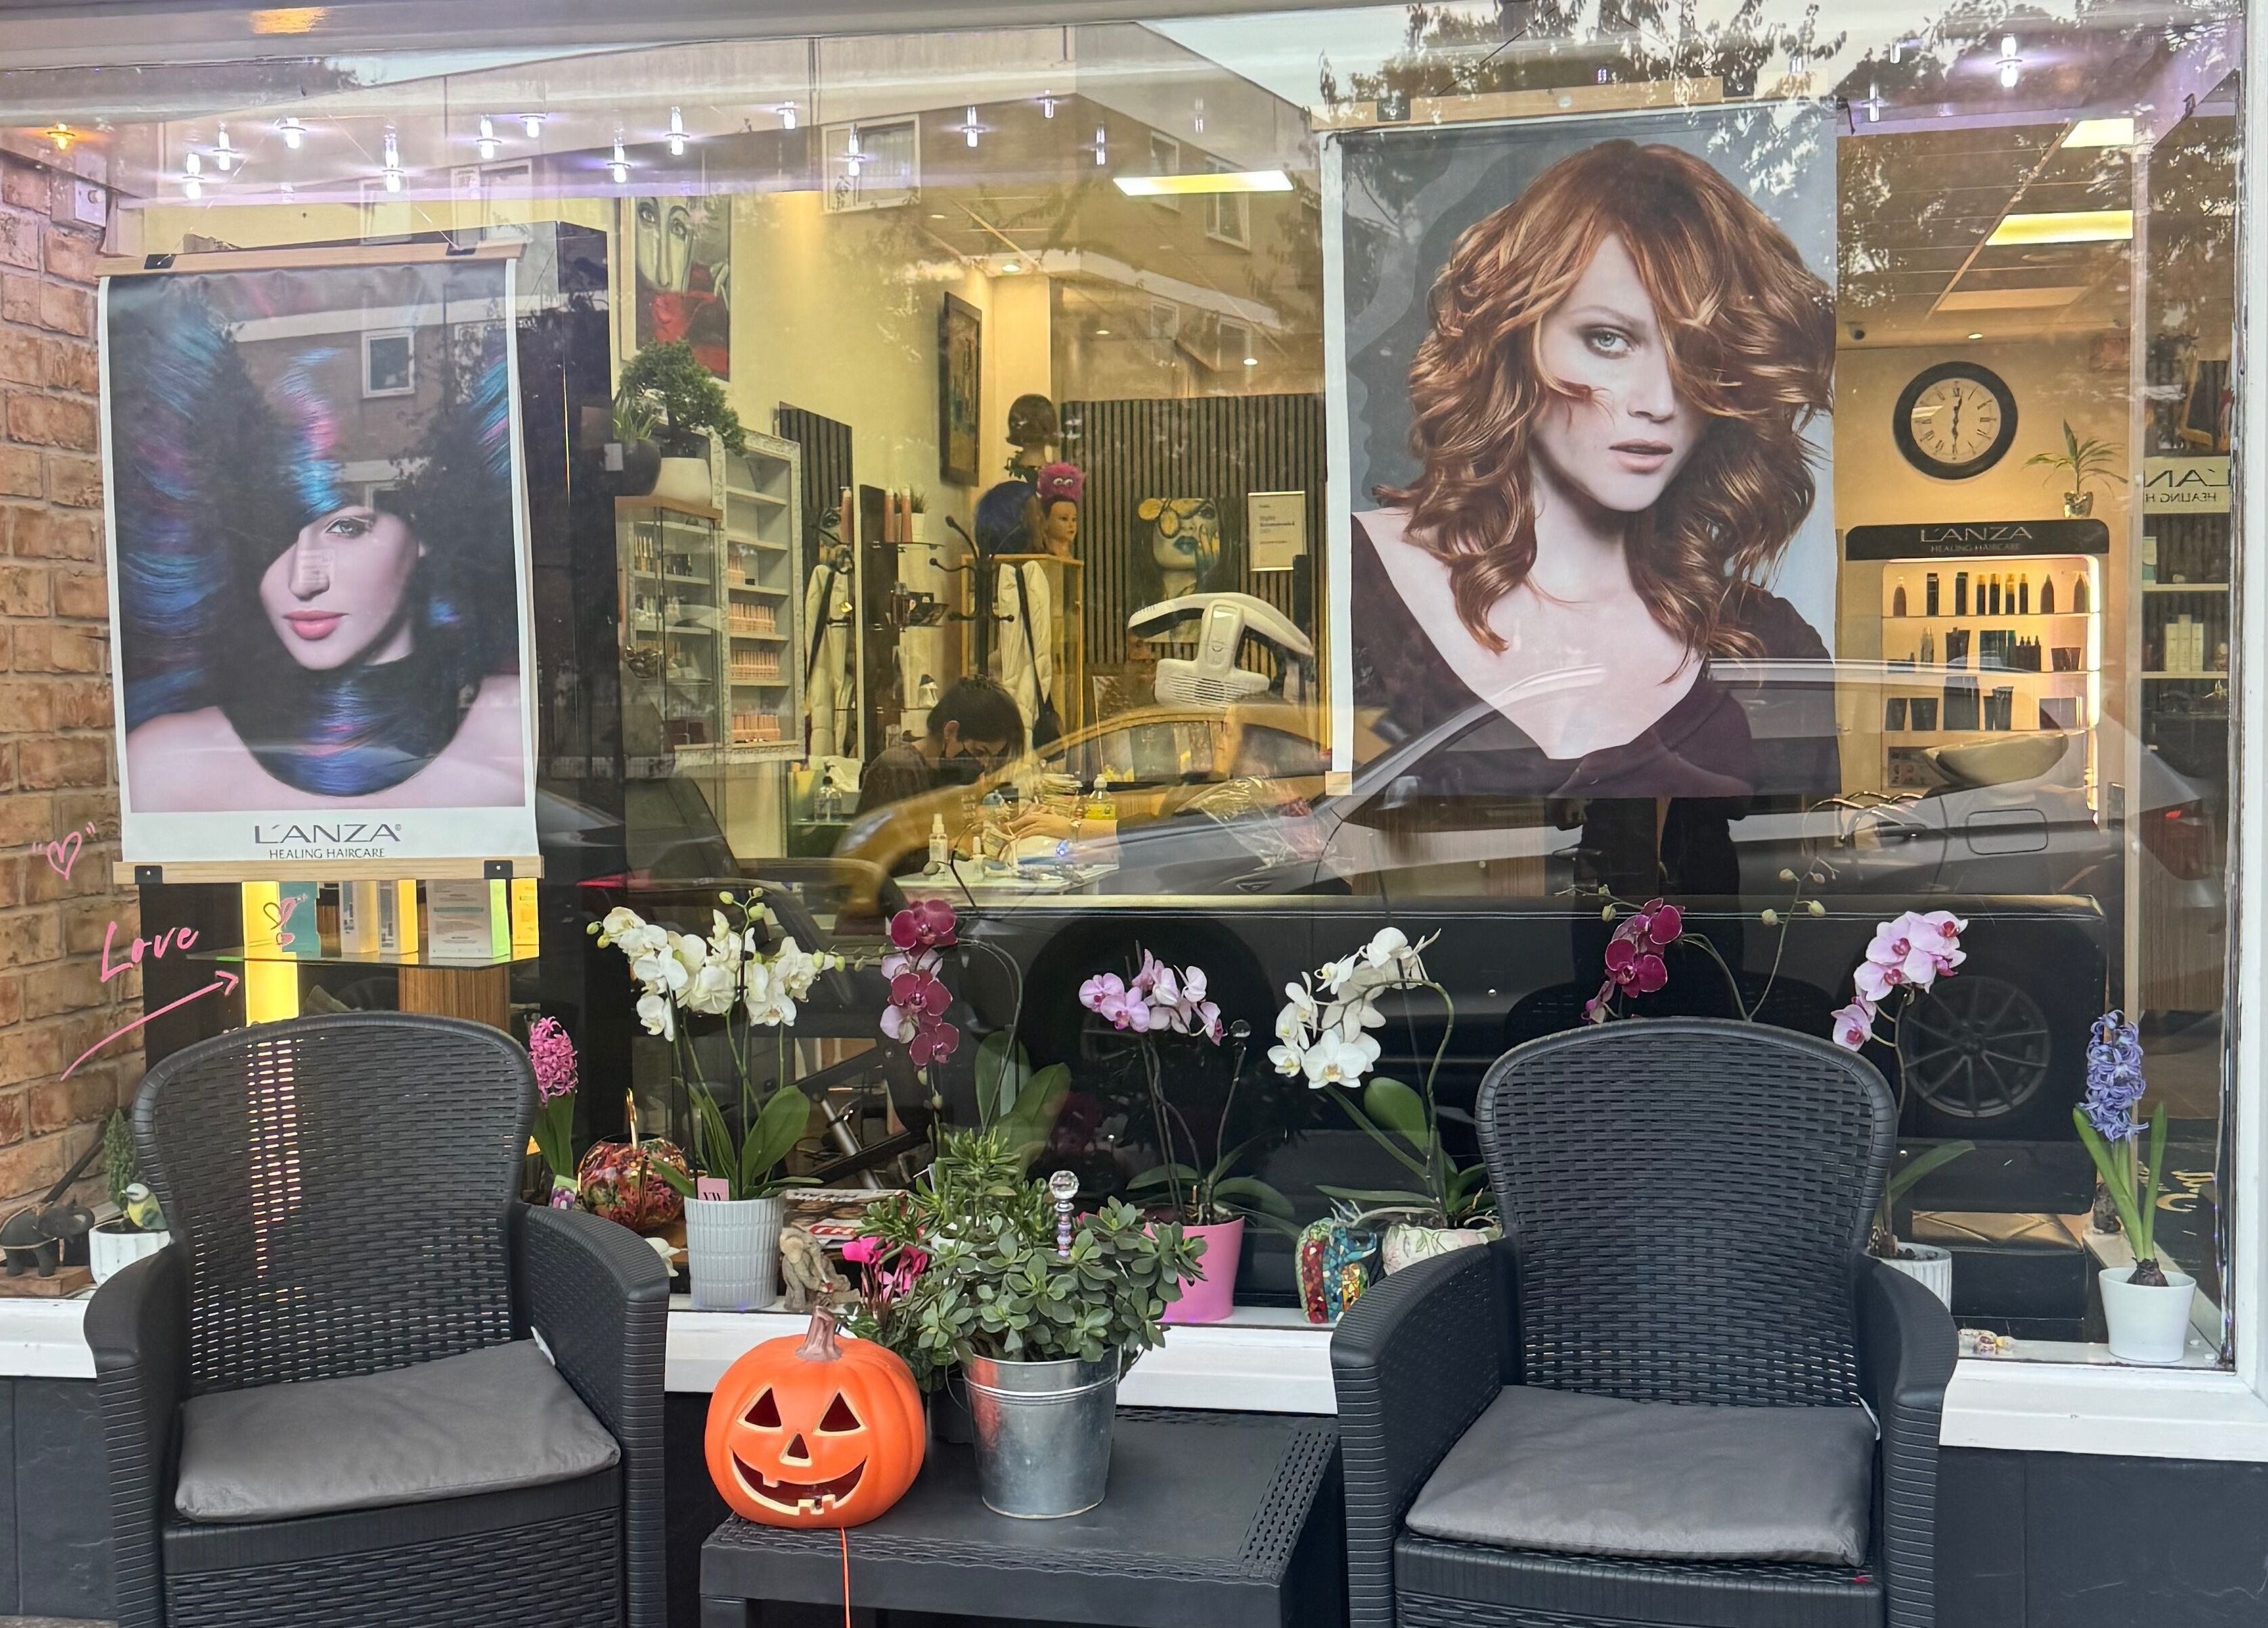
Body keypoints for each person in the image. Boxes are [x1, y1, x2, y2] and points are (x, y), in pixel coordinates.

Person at [1353, 138, 1837, 801]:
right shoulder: (1353, 583)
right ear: (1514, 334)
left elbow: (1809, 867)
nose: (1659, 402)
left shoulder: (1768, 652)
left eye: (1699, 358)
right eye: (1608, 339)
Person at [115, 284, 525, 811]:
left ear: (423, 534)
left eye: (347, 529)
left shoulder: (508, 732)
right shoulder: (167, 764)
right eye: (277, 543)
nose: (304, 581)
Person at [853, 676, 1024, 815]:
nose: (984, 765)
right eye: (979, 752)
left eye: (992, 757)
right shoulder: (897, 770)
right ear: (950, 731)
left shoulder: (951, 775)